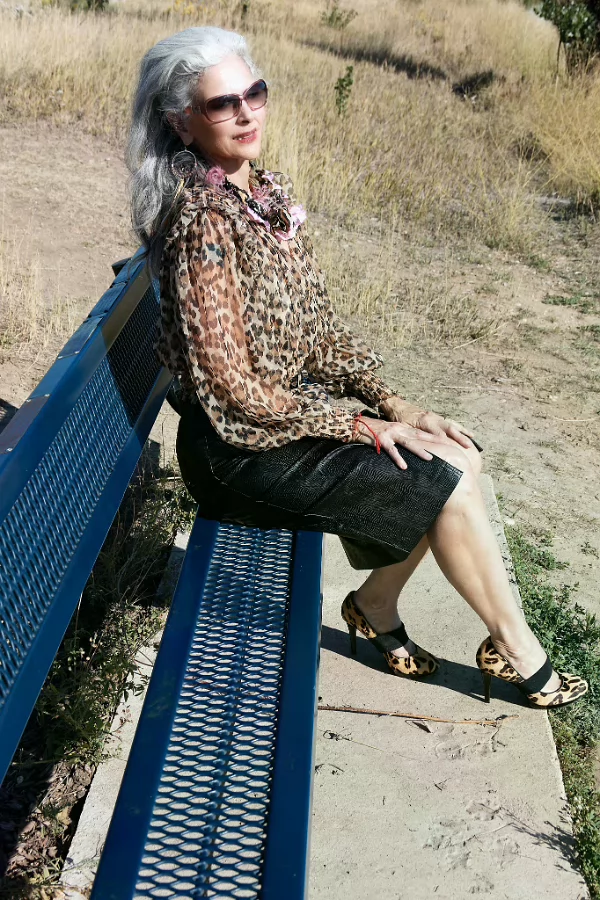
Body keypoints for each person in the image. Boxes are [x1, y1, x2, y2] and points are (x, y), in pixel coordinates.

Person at [126, 25, 587, 708]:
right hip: (238, 451)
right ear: (181, 123)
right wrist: (359, 425)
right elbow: (231, 390)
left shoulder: (262, 197)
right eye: (224, 104)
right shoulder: (204, 225)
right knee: (443, 478)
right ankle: (519, 652)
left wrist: (394, 404)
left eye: (255, 93)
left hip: (284, 421)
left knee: (455, 455)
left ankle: (377, 605)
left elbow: (320, 333)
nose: (247, 113)